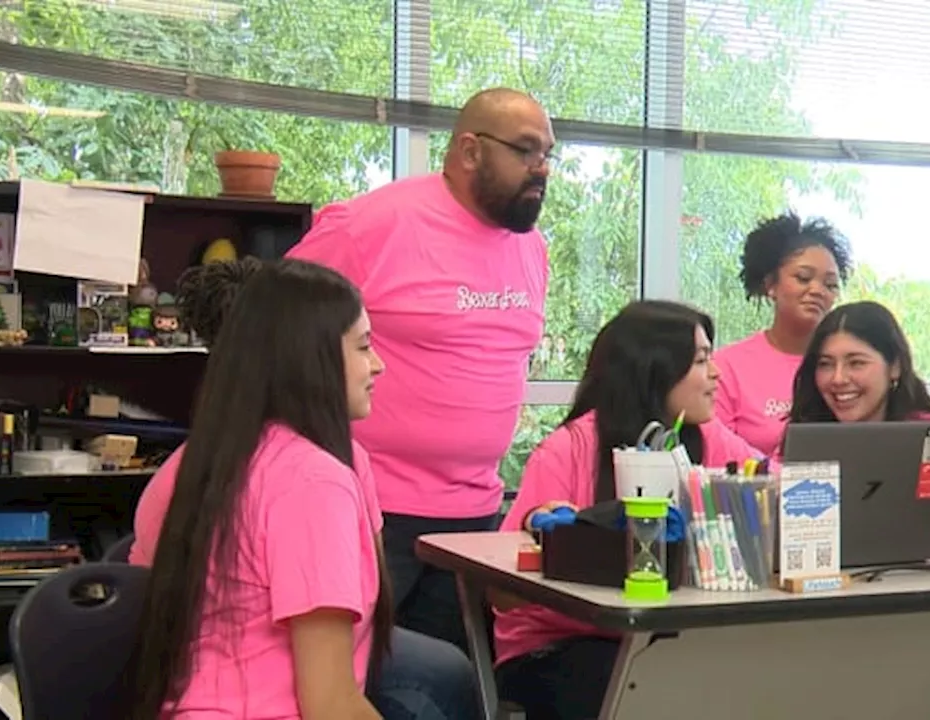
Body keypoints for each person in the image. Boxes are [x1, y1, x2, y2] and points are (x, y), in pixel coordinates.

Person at [128, 259, 479, 720]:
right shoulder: (314, 482)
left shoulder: (194, 461)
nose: (378, 364)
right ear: (310, 358)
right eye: (363, 346)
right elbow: (330, 706)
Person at [285, 87, 554, 652]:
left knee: (449, 688)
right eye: (526, 151)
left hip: (478, 514)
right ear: (470, 151)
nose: (542, 168)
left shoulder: (532, 249)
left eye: (549, 154)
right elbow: (274, 323)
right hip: (373, 509)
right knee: (351, 683)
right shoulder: (373, 224)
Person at [492, 300, 761, 720]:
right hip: (559, 646)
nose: (716, 373)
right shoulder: (567, 450)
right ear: (654, 370)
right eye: (701, 360)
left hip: (663, 639)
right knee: (633, 687)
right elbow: (502, 589)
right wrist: (562, 538)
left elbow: (769, 478)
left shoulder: (707, 438)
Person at [783, 300, 930, 537]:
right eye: (825, 364)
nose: (838, 378)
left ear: (895, 367)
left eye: (856, 363)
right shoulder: (806, 440)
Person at [713, 211, 853, 455]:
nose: (817, 290)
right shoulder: (727, 367)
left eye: (830, 285)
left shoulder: (848, 365)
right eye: (803, 278)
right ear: (770, 285)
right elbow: (716, 455)